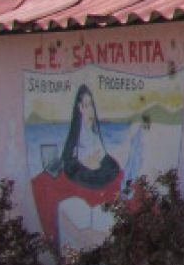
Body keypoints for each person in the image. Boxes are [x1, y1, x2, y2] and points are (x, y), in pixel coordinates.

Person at [31, 84, 144, 250]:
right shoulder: (79, 134)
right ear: (79, 107)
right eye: (85, 105)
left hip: (100, 170)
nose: (89, 109)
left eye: (90, 104)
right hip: (85, 173)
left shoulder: (93, 131)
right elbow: (78, 157)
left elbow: (101, 154)